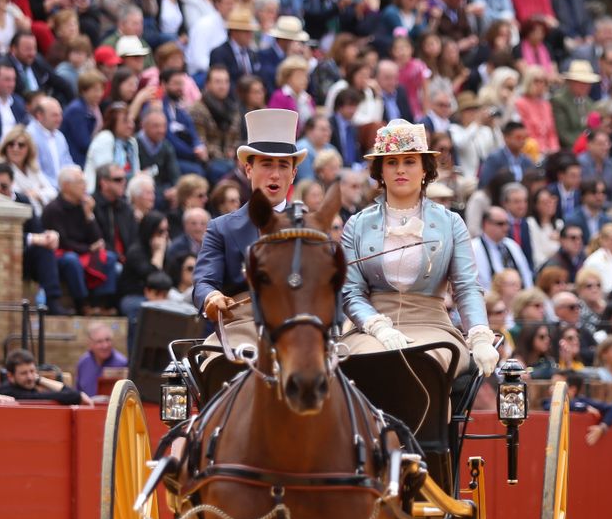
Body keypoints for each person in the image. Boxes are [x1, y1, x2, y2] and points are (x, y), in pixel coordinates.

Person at [340, 120, 497, 376]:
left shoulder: (451, 222)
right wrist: (378, 327)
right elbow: (351, 291)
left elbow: (466, 286)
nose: (400, 169)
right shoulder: (356, 225)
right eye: (392, 162)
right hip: (371, 330)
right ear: (380, 171)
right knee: (368, 363)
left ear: (425, 169)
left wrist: (479, 336)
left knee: (422, 364)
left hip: (433, 327)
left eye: (410, 161)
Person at [192, 108, 309, 353]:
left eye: (283, 166)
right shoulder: (220, 228)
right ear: (248, 169)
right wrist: (212, 297)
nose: (275, 175)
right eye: (266, 164)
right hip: (240, 329)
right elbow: (204, 282)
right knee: (219, 366)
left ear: (293, 174)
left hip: (300, 329)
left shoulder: (311, 228)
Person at [0, 348, 93, 405]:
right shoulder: (6, 391)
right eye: (24, 373)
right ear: (11, 376)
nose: (30, 377)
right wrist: (77, 396)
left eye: (32, 371)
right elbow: (72, 396)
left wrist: (40, 379)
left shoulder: (31, 387)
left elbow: (70, 393)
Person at [76, 322, 128, 397]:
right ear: (90, 343)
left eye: (108, 340)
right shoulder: (83, 363)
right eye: (99, 341)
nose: (105, 345)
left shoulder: (122, 363)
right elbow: (78, 393)